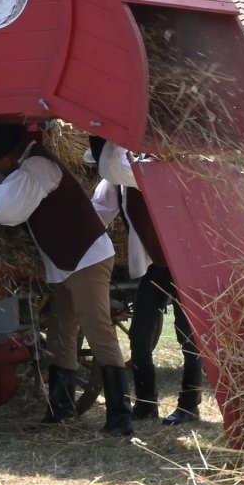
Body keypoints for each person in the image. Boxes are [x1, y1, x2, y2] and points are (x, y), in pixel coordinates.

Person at [0, 125, 133, 435]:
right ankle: (61, 411)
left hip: (86, 258)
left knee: (98, 330)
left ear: (5, 158)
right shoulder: (29, 163)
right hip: (68, 261)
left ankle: (120, 419)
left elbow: (7, 210)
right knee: (62, 331)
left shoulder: (37, 166)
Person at [94, 141, 205, 424]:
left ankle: (189, 405)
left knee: (188, 337)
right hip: (156, 264)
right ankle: (146, 404)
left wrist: (106, 145)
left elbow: (120, 170)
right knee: (139, 338)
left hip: (185, 262)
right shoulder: (121, 173)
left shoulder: (155, 163)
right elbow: (100, 210)